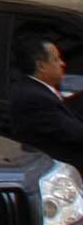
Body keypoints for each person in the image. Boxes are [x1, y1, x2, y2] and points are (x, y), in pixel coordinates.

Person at [5, 34, 83, 165]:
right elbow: (73, 132)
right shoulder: (34, 98)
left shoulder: (42, 90)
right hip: (58, 170)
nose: (62, 64)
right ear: (41, 66)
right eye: (56, 59)